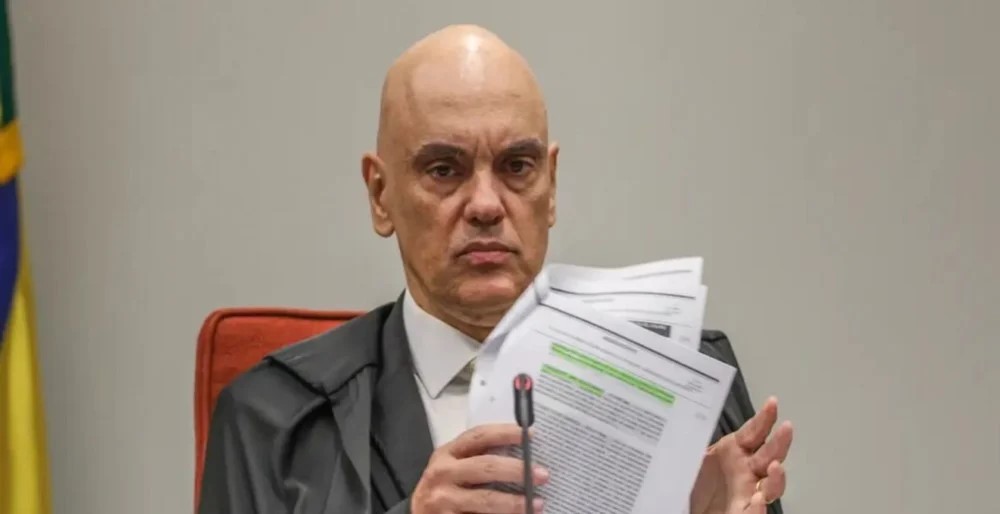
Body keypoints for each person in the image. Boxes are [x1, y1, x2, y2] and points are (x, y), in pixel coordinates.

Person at [198, 24, 794, 514]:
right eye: (444, 169)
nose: (485, 205)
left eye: (516, 166)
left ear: (550, 187)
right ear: (381, 195)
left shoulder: (687, 382)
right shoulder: (273, 418)